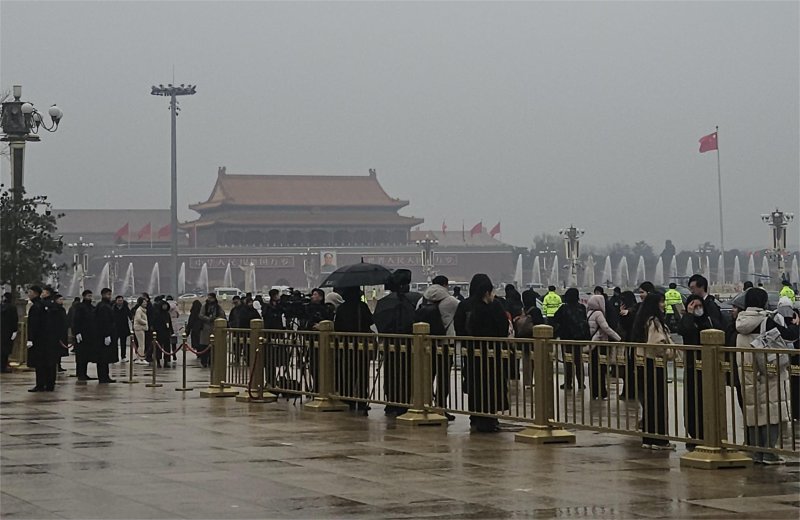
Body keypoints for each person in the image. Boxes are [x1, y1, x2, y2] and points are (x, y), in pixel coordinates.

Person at [736, 288, 796, 464]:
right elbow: (789, 337)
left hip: (748, 371)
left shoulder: (740, 321)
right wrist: (794, 325)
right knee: (773, 411)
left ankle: (756, 452)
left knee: (753, 410)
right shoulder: (766, 321)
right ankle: (770, 452)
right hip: (769, 371)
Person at [454, 273, 510, 433]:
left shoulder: (464, 305)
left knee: (475, 383)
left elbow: (459, 328)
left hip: (472, 352)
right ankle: (490, 417)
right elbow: (503, 327)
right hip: (493, 353)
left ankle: (475, 415)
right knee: (492, 385)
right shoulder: (495, 305)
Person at [374, 269, 421, 416]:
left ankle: (391, 402)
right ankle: (404, 402)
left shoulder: (384, 303)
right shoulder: (415, 299)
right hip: (409, 345)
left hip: (390, 344)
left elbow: (378, 321)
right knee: (407, 373)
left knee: (390, 372)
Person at [632, 292, 675, 450]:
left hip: (644, 364)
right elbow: (657, 343)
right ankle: (660, 440)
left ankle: (649, 438)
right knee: (658, 402)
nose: (663, 305)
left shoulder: (642, 319)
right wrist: (669, 352)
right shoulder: (654, 322)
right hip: (654, 364)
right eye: (661, 302)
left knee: (649, 403)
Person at [416, 275, 460, 420]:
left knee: (427, 375)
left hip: (426, 345)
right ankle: (441, 407)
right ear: (445, 285)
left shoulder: (421, 300)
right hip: (444, 345)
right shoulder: (451, 301)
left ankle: (426, 404)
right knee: (443, 377)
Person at [677, 293, 716, 449]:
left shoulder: (707, 321)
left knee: (707, 401)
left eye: (700, 306)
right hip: (693, 366)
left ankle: (707, 433)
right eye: (694, 306)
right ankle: (694, 434)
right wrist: (689, 314)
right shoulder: (688, 321)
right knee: (692, 402)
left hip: (707, 367)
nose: (698, 309)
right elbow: (684, 330)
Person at [333, 286, 374, 414]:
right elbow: (371, 321)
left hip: (346, 345)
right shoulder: (362, 307)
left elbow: (337, 326)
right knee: (362, 374)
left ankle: (348, 399)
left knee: (348, 373)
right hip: (361, 344)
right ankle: (362, 401)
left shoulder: (341, 308)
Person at [552, 288, 588, 390]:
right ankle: (581, 383)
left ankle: (568, 383)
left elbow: (555, 319)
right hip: (578, 339)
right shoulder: (582, 308)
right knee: (578, 361)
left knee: (568, 361)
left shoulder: (563, 308)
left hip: (566, 338)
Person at [586, 294, 621, 400]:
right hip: (600, 343)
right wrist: (618, 337)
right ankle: (602, 392)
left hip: (592, 344)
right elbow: (605, 328)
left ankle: (594, 392)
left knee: (593, 369)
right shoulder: (599, 313)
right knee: (601, 369)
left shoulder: (589, 313)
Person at [26, 286, 56, 391]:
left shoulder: (36, 307)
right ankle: (49, 384)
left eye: (30, 292)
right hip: (49, 338)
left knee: (40, 363)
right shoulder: (46, 305)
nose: (28, 294)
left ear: (35, 293)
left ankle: (40, 384)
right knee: (48, 362)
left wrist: (30, 338)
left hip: (39, 339)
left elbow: (34, 324)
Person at [72, 290, 99, 382]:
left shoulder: (91, 307)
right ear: (84, 296)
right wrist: (77, 332)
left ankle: (84, 373)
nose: (90, 298)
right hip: (82, 335)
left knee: (86, 355)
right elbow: (76, 320)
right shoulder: (80, 307)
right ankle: (80, 374)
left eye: (91, 296)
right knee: (81, 356)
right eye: (88, 296)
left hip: (89, 335)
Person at [617, 290, 638, 399]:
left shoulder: (633, 311)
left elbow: (625, 327)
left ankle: (629, 392)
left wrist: (625, 314)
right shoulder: (634, 310)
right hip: (630, 342)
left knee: (630, 368)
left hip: (631, 342)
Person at [94, 288, 117, 382]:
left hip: (102, 335)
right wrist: (107, 334)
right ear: (103, 295)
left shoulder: (104, 305)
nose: (110, 296)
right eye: (108, 295)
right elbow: (104, 321)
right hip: (103, 335)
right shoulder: (103, 307)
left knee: (104, 358)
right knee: (103, 357)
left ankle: (104, 376)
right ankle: (103, 377)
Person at [198, 293, 226, 368]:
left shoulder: (218, 307)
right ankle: (204, 362)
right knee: (204, 347)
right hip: (205, 329)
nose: (209, 299)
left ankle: (211, 361)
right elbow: (201, 315)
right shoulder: (205, 306)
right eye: (208, 298)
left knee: (213, 347)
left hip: (214, 329)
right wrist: (208, 319)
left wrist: (215, 319)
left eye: (211, 298)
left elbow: (222, 315)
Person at [151, 299, 173, 368]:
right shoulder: (157, 313)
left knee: (167, 348)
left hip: (166, 333)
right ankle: (158, 361)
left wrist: (171, 332)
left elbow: (170, 323)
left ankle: (166, 361)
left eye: (166, 305)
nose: (165, 307)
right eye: (163, 305)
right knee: (158, 348)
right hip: (159, 333)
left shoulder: (167, 314)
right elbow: (154, 323)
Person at [1, 292, 18, 373]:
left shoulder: (1, 307)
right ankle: (3, 366)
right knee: (6, 350)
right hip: (8, 331)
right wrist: (15, 330)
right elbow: (15, 320)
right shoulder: (12, 308)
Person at [113, 296, 131, 362]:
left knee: (123, 343)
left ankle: (123, 356)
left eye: (121, 300)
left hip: (123, 328)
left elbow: (130, 315)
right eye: (119, 300)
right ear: (116, 301)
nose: (120, 302)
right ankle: (114, 357)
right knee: (114, 343)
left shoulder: (125, 307)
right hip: (115, 328)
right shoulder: (113, 307)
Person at [132, 297, 149, 365]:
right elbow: (138, 319)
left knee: (141, 344)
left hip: (141, 328)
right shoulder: (139, 310)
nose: (145, 303)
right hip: (139, 328)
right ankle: (141, 358)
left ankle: (139, 357)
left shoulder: (143, 310)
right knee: (141, 344)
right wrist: (145, 322)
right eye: (144, 302)